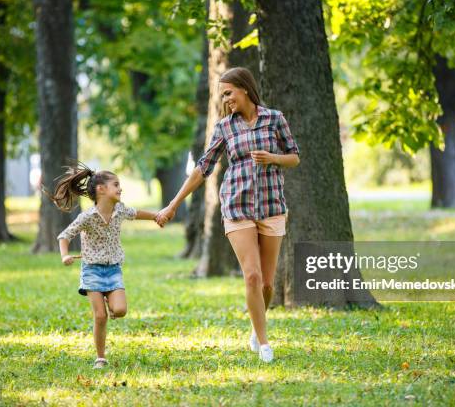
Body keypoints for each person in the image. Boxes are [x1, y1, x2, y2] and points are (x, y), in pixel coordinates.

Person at [156, 67, 300, 363]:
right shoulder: (224, 127)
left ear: (244, 89)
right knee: (252, 275)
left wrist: (272, 158)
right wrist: (173, 204)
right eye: (222, 95)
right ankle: (264, 343)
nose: (226, 99)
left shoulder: (274, 118)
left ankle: (255, 325)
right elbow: (202, 168)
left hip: (272, 207)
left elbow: (294, 157)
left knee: (267, 284)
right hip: (237, 206)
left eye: (228, 93)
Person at [47, 161, 158, 369]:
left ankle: (111, 301)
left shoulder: (120, 210)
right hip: (92, 271)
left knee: (121, 310)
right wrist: (64, 256)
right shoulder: (87, 217)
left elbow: (138, 213)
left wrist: (157, 217)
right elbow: (64, 236)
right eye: (116, 184)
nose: (120, 188)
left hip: (114, 269)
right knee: (100, 316)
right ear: (101, 189)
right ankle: (100, 357)